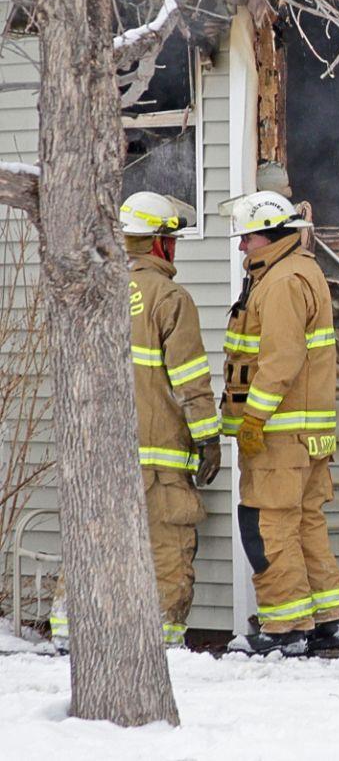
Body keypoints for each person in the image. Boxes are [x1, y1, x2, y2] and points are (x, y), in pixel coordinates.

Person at [50, 192, 218, 651]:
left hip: (97, 456)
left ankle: (69, 635)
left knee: (94, 546)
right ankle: (163, 644)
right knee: (166, 551)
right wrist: (208, 440)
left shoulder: (93, 292)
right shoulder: (169, 297)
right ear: (159, 244)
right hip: (157, 463)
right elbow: (190, 381)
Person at [220, 190, 339, 656]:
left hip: (278, 435)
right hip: (306, 437)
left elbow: (280, 360)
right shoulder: (303, 270)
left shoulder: (279, 283)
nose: (241, 248)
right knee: (305, 525)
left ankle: (286, 627)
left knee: (268, 525)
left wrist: (252, 419)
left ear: (271, 235)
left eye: (247, 239)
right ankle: (327, 621)